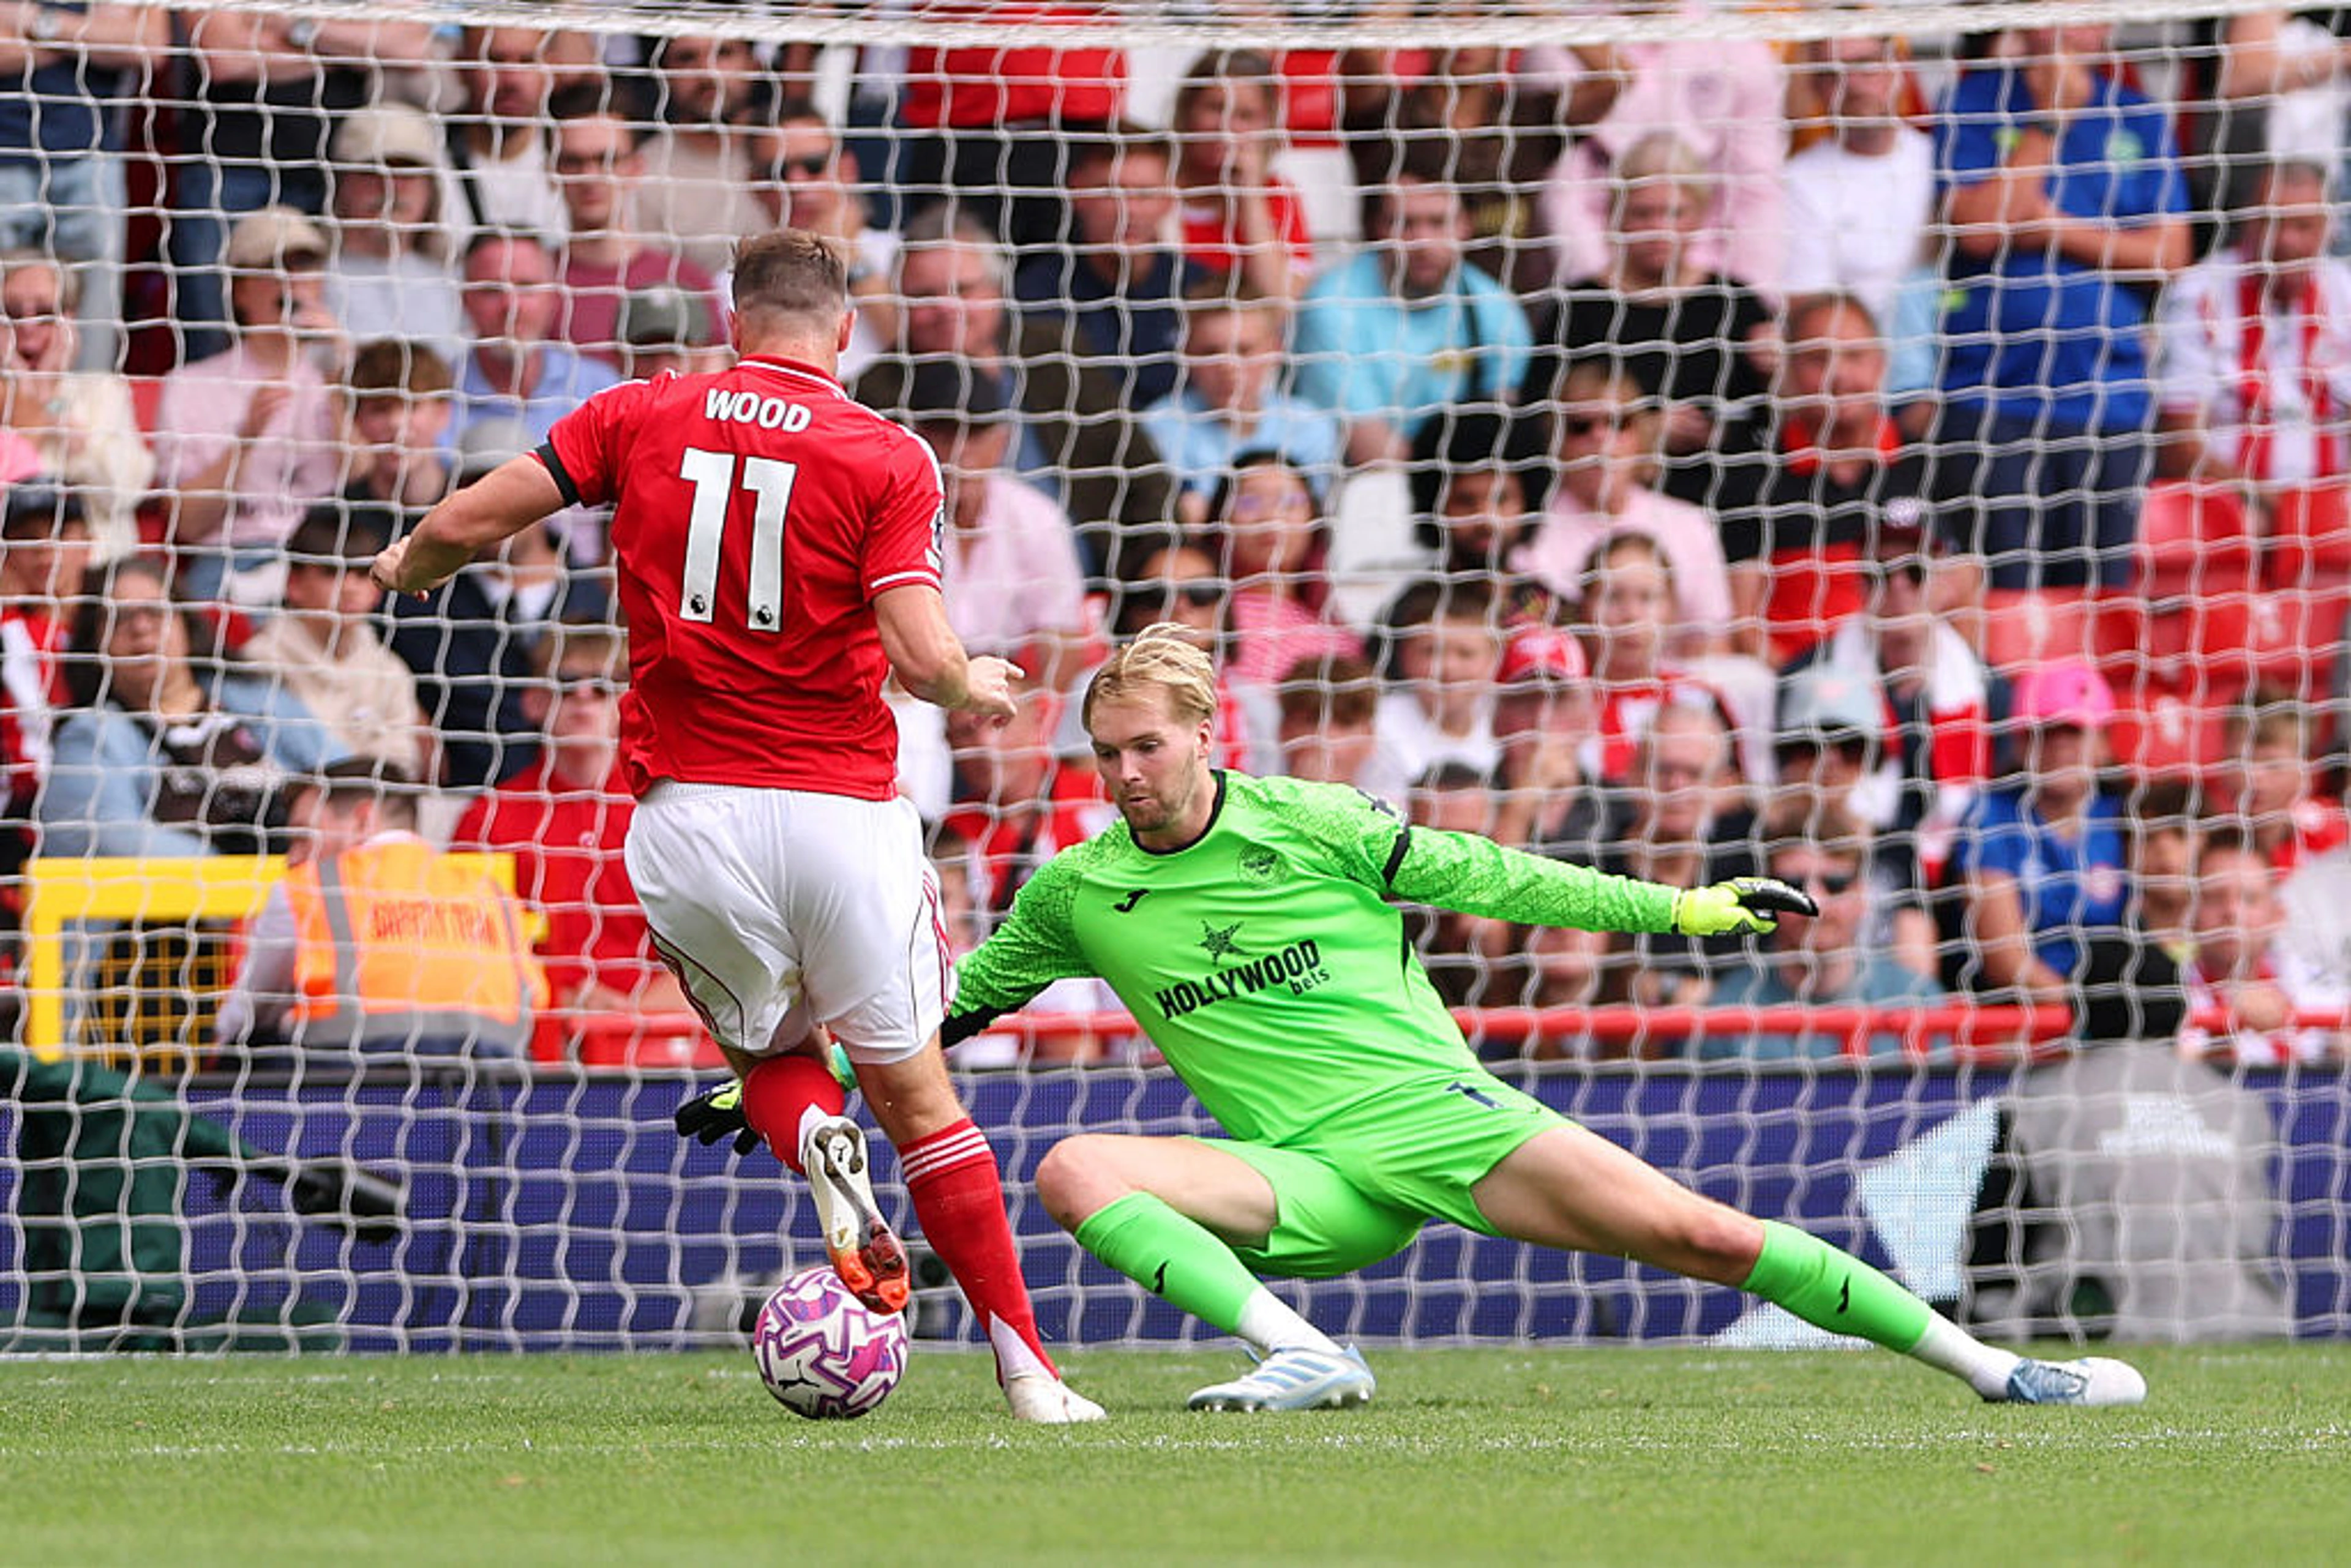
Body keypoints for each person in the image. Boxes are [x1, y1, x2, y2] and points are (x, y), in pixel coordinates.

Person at [924, 627, 2140, 1411]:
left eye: (1148, 744)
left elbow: (1502, 877)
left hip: (1435, 1117)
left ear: (1206, 733)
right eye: (1107, 750)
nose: (1126, 770)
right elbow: (943, 1011)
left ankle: (2001, 1368)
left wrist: (1689, 905)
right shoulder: (1078, 889)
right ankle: (1303, 1349)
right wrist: (783, 1078)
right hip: (1300, 1177)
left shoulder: (1314, 819)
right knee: (1075, 1164)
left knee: (1702, 1232)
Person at [371, 229, 1100, 1424]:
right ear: (844, 331)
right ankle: (1030, 1373)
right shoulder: (885, 451)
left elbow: (472, 515)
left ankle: (812, 1132)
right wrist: (978, 685)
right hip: (842, 815)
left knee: (768, 1060)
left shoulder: (638, 413)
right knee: (922, 1100)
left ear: (735, 321)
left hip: (691, 815)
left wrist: (411, 564)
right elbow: (921, 657)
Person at [1933, 22, 2192, 594]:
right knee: (2004, 599)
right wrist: (2051, 118)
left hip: (2108, 399)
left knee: (2097, 601)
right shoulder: (1973, 100)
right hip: (1990, 396)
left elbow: (2169, 254)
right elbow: (1979, 227)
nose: (2078, 25)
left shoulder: (2140, 116)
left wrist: (2055, 228)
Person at [214, 759, 546, 1062]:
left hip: (349, 1091)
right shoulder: (491, 893)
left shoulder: (311, 885)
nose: (293, 857)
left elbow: (246, 1014)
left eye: (303, 835)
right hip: (494, 1093)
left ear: (362, 818)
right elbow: (534, 998)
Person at [452, 623, 694, 1038]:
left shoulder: (672, 812)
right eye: (566, 685)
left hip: (661, 1038)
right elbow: (465, 947)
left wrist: (631, 1012)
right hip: (533, 1035)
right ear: (534, 701)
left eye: (601, 687)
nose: (584, 698)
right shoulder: (490, 816)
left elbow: (722, 955)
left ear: (627, 702)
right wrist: (555, 1001)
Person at [1292, 141, 1531, 466]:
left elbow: (1506, 434)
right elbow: (1372, 453)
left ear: (1466, 227)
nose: (1422, 242)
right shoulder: (1331, 307)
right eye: (1404, 224)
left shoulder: (1495, 308)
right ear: (1377, 228)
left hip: (1463, 490)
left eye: (1438, 223)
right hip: (1359, 489)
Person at [151, 208, 345, 604]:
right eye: (276, 268)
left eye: (305, 267)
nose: (293, 283)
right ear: (240, 290)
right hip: (231, 561)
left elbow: (373, 480)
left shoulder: (340, 374)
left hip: (329, 562)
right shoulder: (190, 384)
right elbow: (185, 524)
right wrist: (245, 441)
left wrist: (342, 379)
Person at [1704, 822, 1946, 1062]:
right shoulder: (1730, 1009)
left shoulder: (1915, 998)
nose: (1815, 902)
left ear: (1861, 894)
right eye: (1794, 887)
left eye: (1835, 885)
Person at [238, 503, 430, 779]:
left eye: (363, 574)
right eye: (331, 572)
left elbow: (400, 764)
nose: (350, 587)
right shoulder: (259, 661)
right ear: (295, 584)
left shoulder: (389, 670)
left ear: (377, 591)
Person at [0, 251, 149, 555]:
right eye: (12, 313)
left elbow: (121, 493)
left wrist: (50, 401)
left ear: (69, 320)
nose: (27, 327)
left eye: (44, 313)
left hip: (100, 571)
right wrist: (27, 403)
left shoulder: (102, 391)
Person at [2178, 825, 2348, 1066]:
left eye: (2249, 899)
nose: (2232, 912)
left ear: (2277, 915)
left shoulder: (2306, 977)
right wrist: (2227, 1026)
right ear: (2190, 913)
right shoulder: (2168, 989)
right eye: (2215, 897)